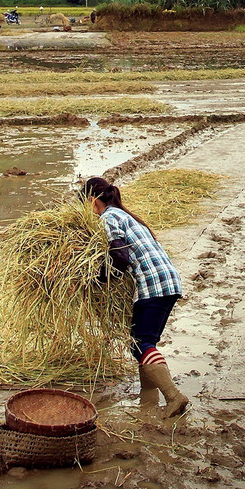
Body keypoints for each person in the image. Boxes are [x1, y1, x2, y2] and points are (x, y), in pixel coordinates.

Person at [82, 176, 189, 417]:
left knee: (139, 344)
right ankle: (148, 394)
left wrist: (97, 280)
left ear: (91, 200)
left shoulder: (108, 218)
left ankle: (174, 397)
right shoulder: (125, 215)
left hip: (153, 285)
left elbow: (120, 257)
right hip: (168, 280)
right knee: (145, 341)